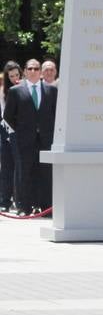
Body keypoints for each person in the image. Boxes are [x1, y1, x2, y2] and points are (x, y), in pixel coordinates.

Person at [2, 59, 57, 216]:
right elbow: (8, 116)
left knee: (45, 173)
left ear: (40, 71)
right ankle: (24, 207)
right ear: (25, 71)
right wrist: (20, 131)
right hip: (24, 140)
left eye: (36, 68)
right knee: (24, 173)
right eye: (30, 68)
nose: (33, 71)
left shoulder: (51, 90)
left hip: (46, 139)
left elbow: (55, 114)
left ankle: (46, 208)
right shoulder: (16, 91)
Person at [0, 61, 22, 212]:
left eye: (16, 75)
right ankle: (5, 200)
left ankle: (20, 200)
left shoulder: (24, 88)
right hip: (5, 131)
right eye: (11, 76)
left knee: (20, 168)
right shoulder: (3, 91)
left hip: (20, 132)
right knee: (6, 167)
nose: (14, 78)